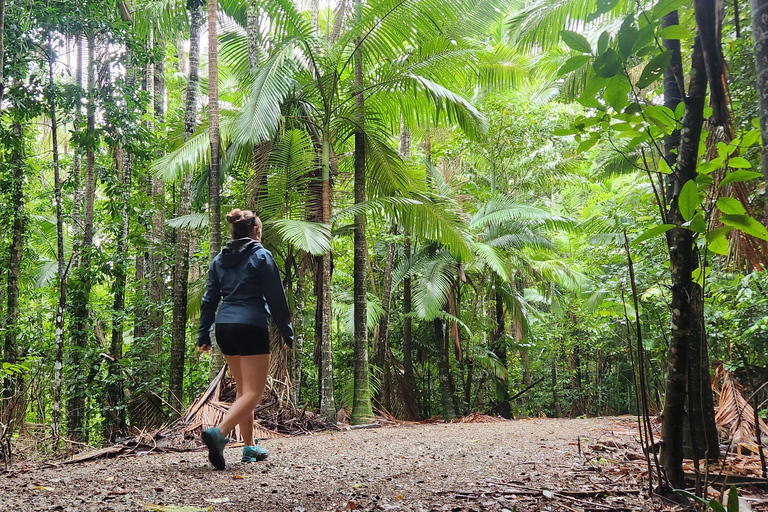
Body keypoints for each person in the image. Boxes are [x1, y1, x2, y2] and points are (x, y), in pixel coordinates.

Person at [197, 208, 294, 470]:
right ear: (254, 231)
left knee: (243, 391)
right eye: (259, 229)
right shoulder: (262, 255)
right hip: (250, 325)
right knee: (254, 392)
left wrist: (203, 333)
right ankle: (219, 433)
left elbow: (209, 299)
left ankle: (250, 447)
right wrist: (287, 332)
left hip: (224, 327)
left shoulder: (219, 259)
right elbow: (276, 297)